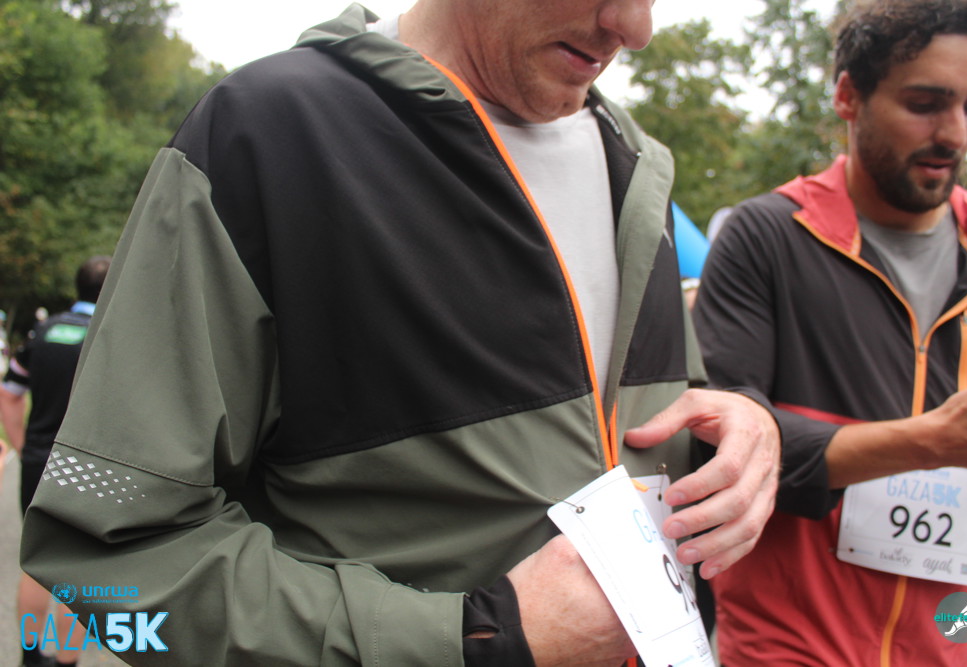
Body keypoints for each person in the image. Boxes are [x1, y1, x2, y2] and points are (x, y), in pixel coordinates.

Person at [20, 1, 780, 664]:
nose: (635, 28)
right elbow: (106, 559)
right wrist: (472, 640)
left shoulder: (635, 164)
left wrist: (744, 428)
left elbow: (652, 415)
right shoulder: (267, 134)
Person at [693, 1, 967, 664]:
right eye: (925, 104)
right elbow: (717, 433)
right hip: (793, 642)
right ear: (848, 96)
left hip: (957, 640)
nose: (956, 133)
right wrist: (934, 441)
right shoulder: (767, 237)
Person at [1, 256, 111, 667]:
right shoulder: (111, 335)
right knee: (77, 570)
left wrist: (24, 445)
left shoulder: (43, 333)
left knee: (35, 563)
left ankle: (31, 658)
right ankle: (66, 661)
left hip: (38, 461)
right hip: (89, 468)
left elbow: (9, 393)